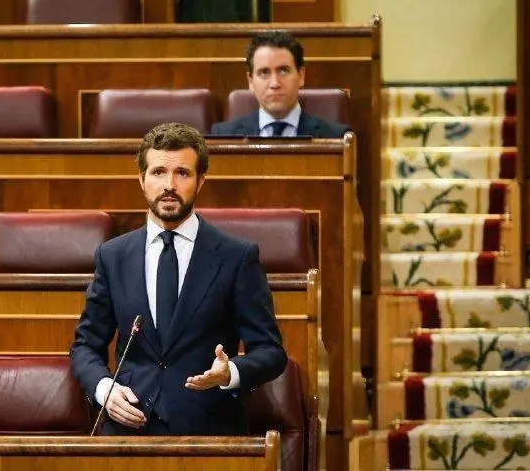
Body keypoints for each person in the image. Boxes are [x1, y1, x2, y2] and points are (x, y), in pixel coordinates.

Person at [70, 122, 286, 435]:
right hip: (129, 429)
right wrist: (105, 389)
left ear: (201, 181)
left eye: (182, 173)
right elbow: (85, 345)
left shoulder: (236, 257)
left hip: (208, 432)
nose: (169, 184)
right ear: (141, 180)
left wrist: (230, 373)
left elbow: (270, 351)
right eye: (158, 172)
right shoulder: (113, 256)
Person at [211, 30, 351, 138]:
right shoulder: (223, 135)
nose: (275, 83)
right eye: (264, 72)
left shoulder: (337, 137)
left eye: (283, 71)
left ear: (301, 75)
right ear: (250, 81)